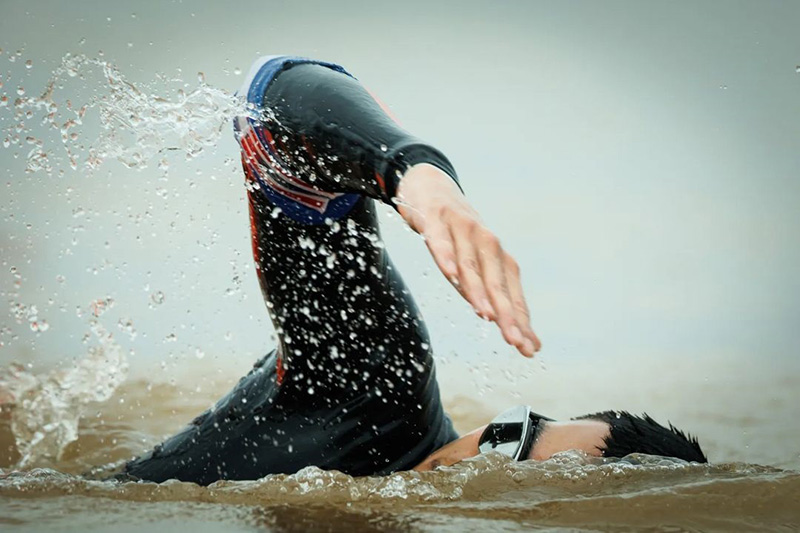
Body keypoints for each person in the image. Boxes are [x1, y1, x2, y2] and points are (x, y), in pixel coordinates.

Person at [122, 56, 706, 484]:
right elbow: (269, 106)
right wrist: (414, 170)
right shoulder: (379, 399)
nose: (480, 458)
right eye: (509, 437)